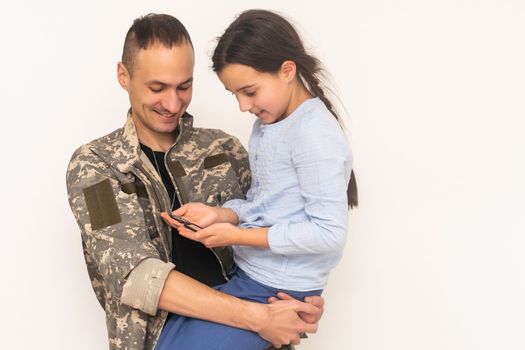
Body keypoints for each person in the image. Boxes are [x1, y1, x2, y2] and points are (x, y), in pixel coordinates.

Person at [66, 13, 324, 350]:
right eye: (157, 88)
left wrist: (298, 297)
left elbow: (276, 232)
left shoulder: (226, 149)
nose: (173, 104)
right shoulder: (94, 167)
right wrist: (258, 317)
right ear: (123, 76)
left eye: (184, 86)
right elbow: (134, 275)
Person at [155, 9, 358, 350]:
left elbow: (329, 234)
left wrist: (237, 236)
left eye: (249, 91)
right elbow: (268, 205)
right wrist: (224, 215)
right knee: (167, 338)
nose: (242, 106)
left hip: (276, 289)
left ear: (287, 71)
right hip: (252, 278)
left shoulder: (314, 135)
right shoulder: (269, 126)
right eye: (234, 93)